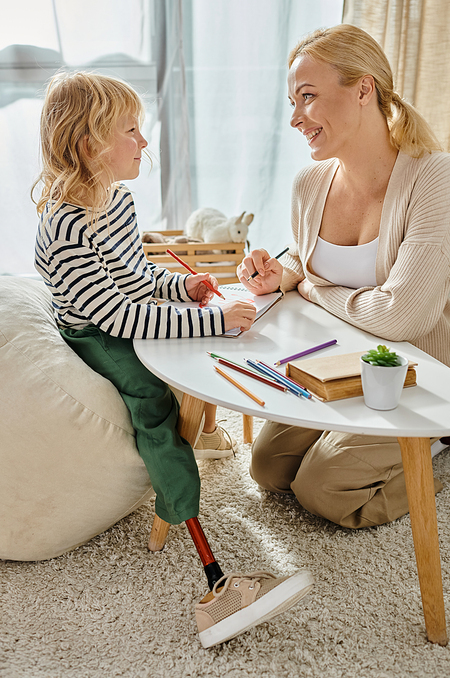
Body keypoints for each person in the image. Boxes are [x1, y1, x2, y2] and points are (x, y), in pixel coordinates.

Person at [32, 71, 314, 648]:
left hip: (122, 312)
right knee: (155, 403)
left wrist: (182, 291)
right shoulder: (63, 224)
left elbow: (134, 279)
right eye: (131, 131)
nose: (144, 143)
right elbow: (113, 315)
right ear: (89, 145)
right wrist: (212, 319)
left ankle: (201, 436)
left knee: (196, 354)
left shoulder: (118, 201)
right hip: (95, 333)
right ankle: (210, 573)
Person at [237, 24, 450, 530]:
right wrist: (281, 276)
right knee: (268, 468)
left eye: (308, 97)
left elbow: (402, 315)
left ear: (363, 89)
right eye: (292, 101)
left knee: (323, 489)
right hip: (338, 363)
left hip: (420, 371)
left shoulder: (435, 175)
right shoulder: (309, 182)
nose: (296, 117)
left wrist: (312, 287)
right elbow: (309, 268)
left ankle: (435, 441)